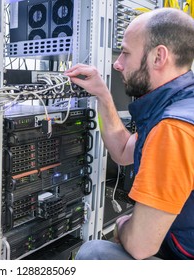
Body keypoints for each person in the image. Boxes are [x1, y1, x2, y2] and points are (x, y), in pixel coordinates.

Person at [65, 7, 194, 260]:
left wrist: (122, 224)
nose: (117, 63)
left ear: (159, 57)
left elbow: (140, 246)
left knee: (94, 254)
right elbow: (124, 152)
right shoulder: (179, 103)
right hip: (181, 239)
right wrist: (102, 94)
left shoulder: (174, 128)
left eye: (125, 52)